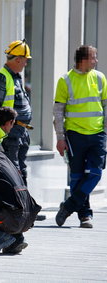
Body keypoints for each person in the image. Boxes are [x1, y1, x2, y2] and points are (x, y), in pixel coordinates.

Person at [53, 45, 107, 229]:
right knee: (76, 177)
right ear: (83, 59)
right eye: (94, 57)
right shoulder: (65, 80)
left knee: (95, 174)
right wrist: (60, 137)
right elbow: (58, 112)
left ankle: (68, 207)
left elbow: (106, 106)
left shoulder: (100, 78)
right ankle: (85, 215)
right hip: (75, 135)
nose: (96, 61)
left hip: (98, 134)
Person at [0, 39, 32, 185]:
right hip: (10, 133)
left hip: (20, 132)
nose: (26, 64)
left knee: (20, 169)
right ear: (17, 60)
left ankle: (22, 203)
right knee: (13, 170)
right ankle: (17, 204)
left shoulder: (16, 77)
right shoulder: (2, 78)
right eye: (25, 60)